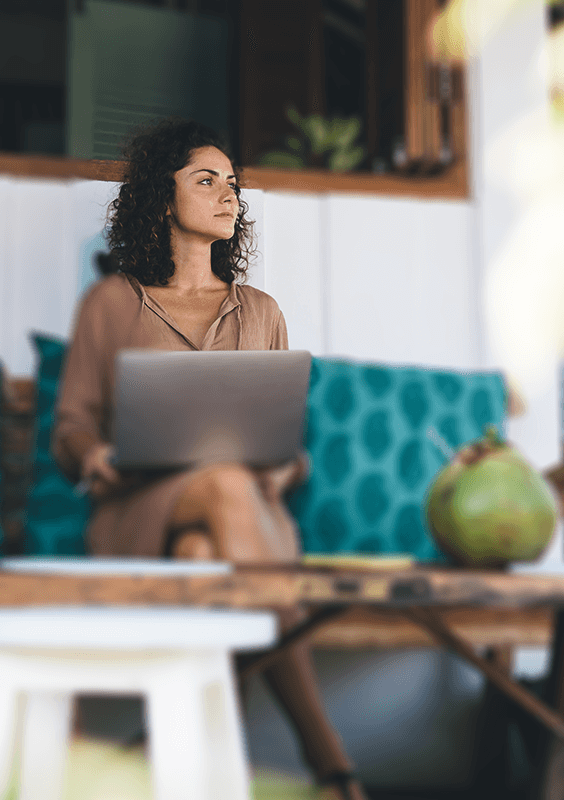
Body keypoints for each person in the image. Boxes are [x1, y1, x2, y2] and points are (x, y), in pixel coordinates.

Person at [51, 117, 366, 800]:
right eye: (206, 180)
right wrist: (97, 455)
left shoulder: (262, 312)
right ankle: (330, 765)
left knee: (205, 546)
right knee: (222, 488)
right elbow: (71, 427)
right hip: (136, 511)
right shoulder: (110, 305)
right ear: (163, 200)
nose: (229, 195)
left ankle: (185, 778)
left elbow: (288, 446)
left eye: (233, 183)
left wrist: (280, 467)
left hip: (244, 516)